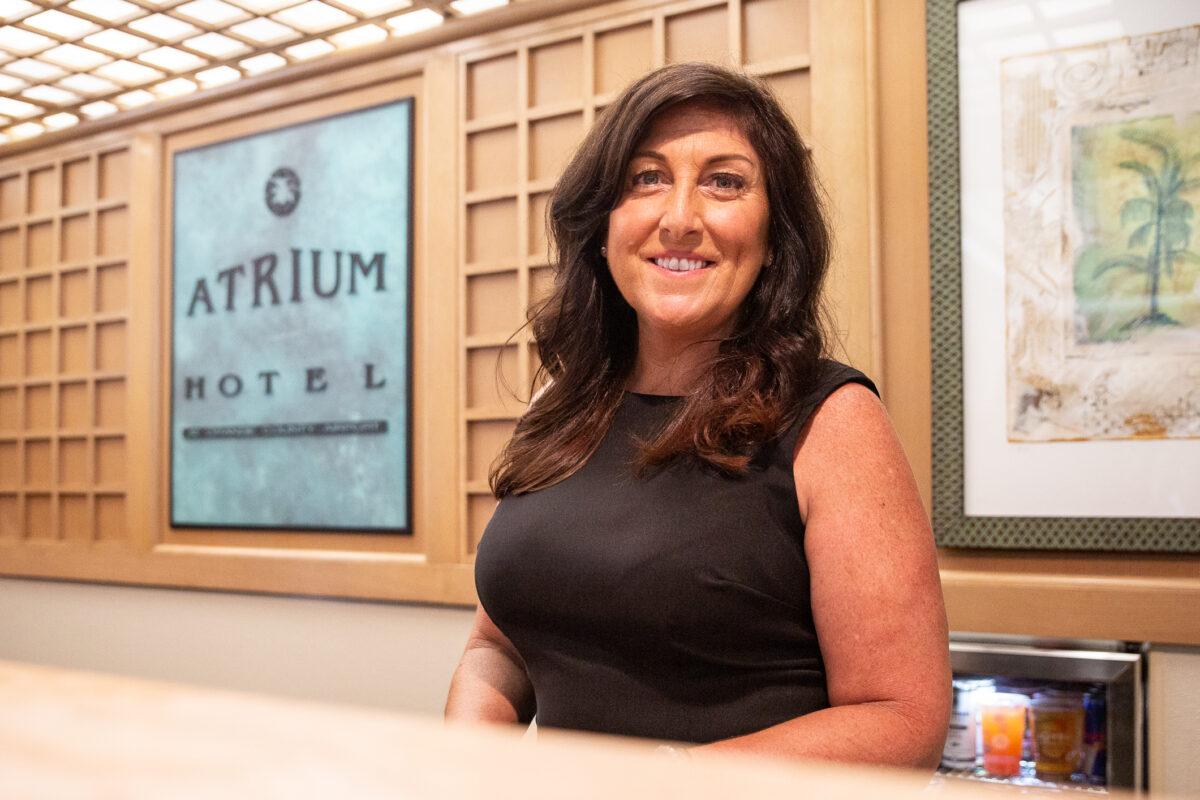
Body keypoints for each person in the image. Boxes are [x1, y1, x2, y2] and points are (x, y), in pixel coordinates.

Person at [444, 62, 950, 768]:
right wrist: (462, 772)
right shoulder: (557, 408)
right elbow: (498, 652)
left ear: (774, 236)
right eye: (645, 178)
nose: (679, 218)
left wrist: (664, 780)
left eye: (724, 181)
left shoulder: (834, 420)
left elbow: (902, 720)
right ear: (603, 225)